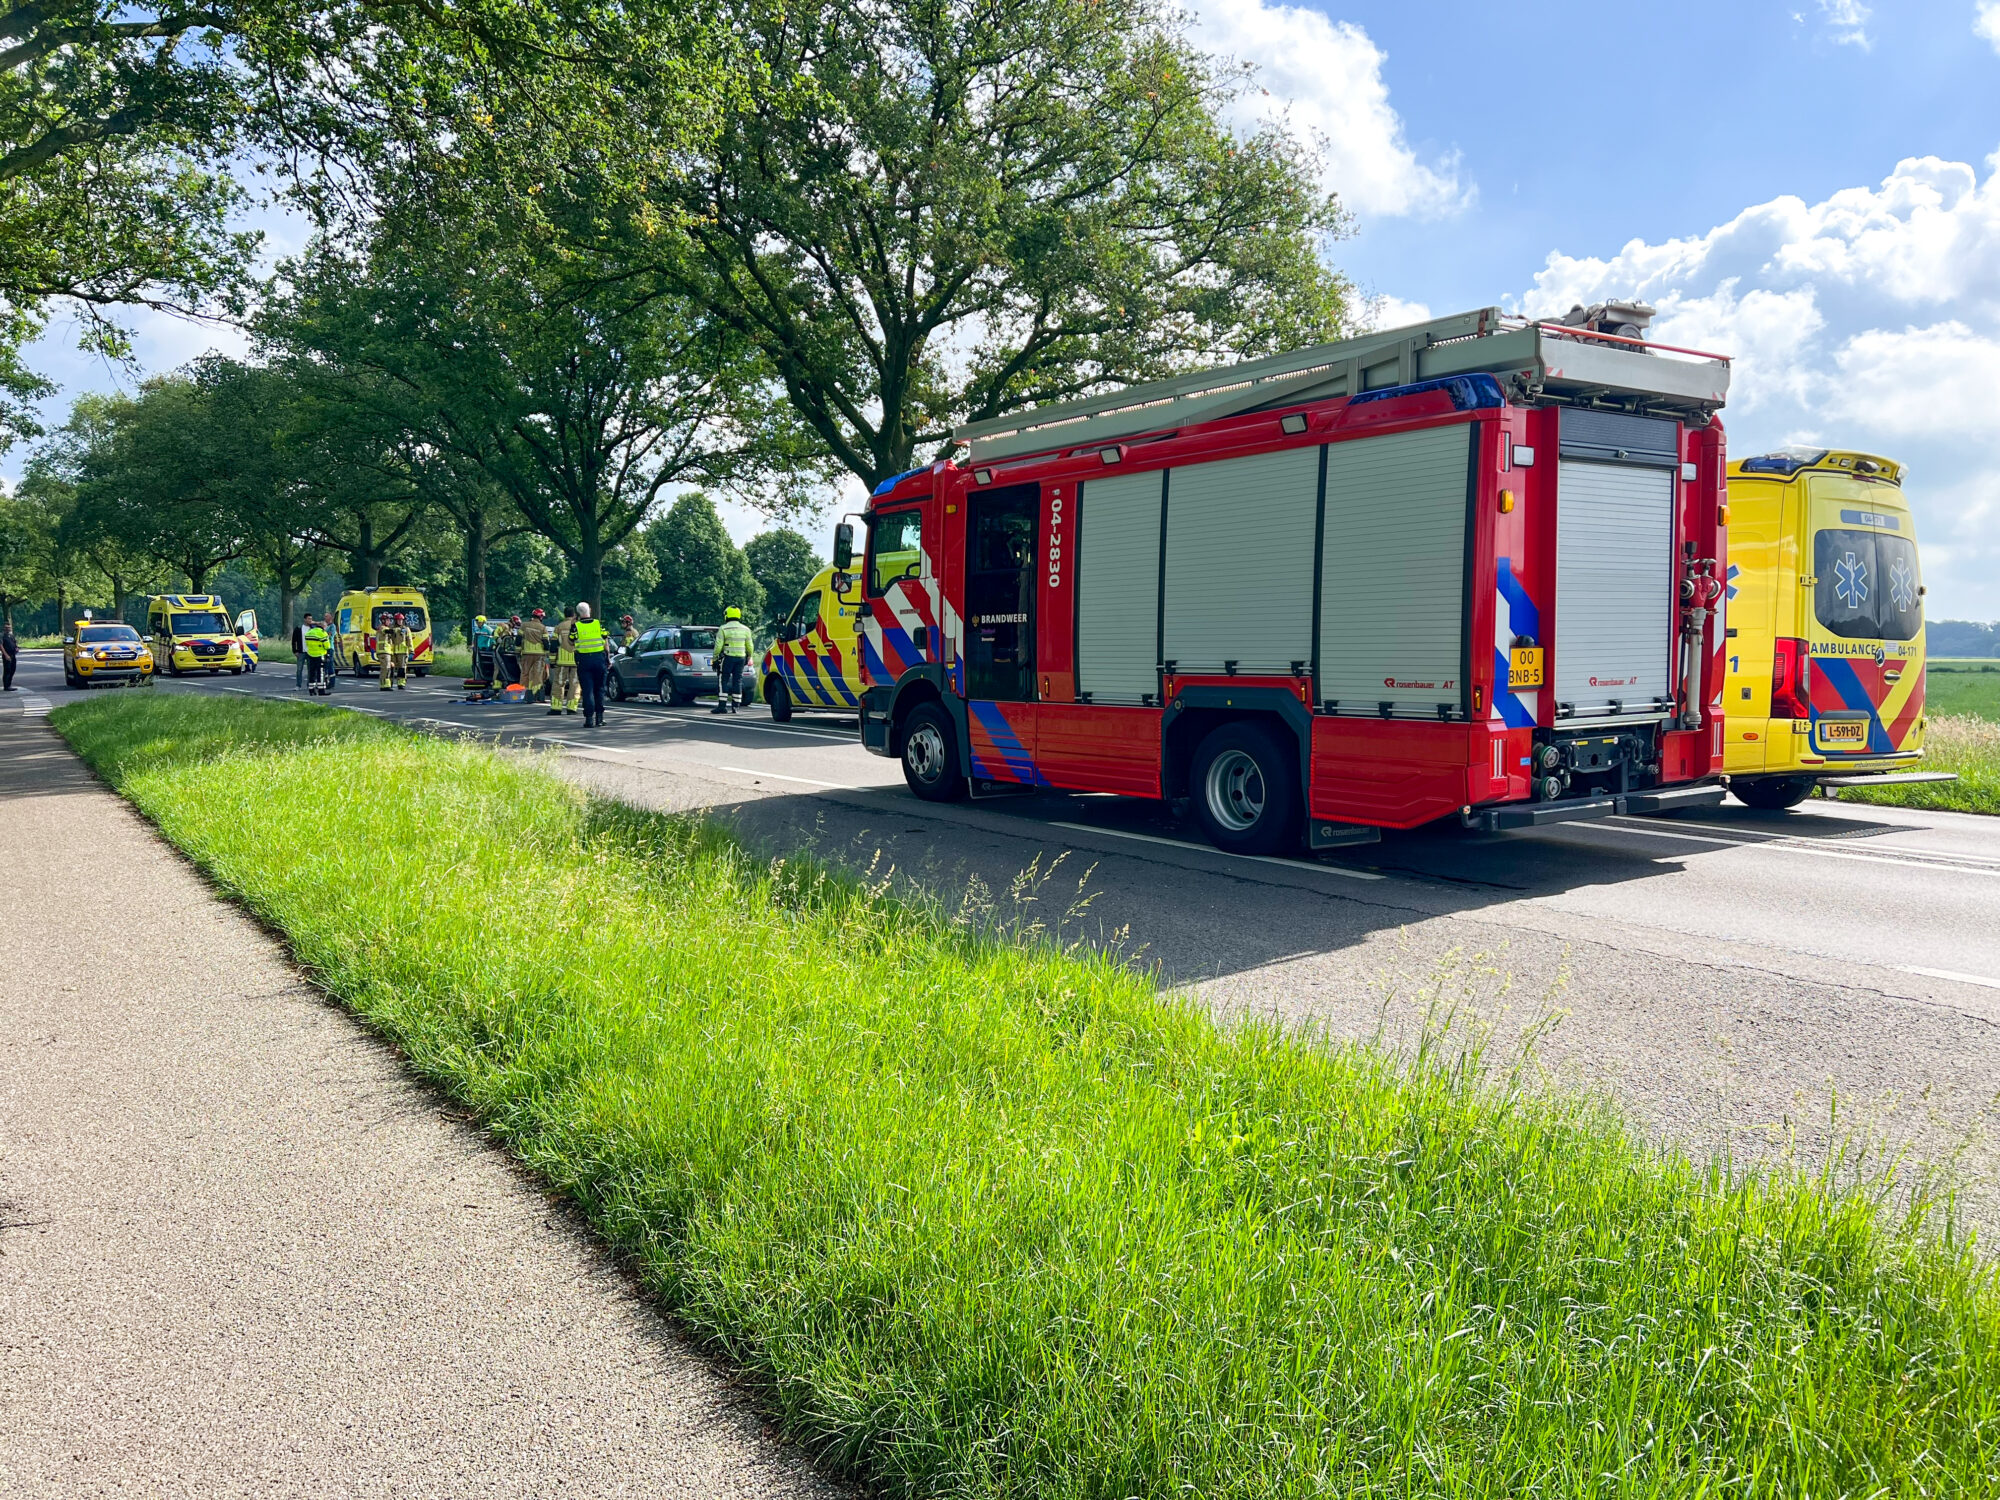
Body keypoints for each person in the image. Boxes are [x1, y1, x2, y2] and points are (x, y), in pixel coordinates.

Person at [711, 605, 754, 715]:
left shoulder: (723, 628)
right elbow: (750, 646)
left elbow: (718, 646)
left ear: (726, 615)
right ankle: (736, 706)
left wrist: (715, 658)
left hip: (728, 657)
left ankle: (722, 706)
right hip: (741, 658)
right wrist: (749, 656)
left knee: (723, 679)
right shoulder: (746, 629)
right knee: (738, 680)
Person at [574, 602, 610, 728]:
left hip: (584, 660)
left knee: (587, 690)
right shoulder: (598, 624)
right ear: (590, 610)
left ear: (578, 612)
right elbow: (606, 642)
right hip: (599, 659)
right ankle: (599, 718)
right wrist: (608, 658)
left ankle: (589, 719)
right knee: (599, 689)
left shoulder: (576, 626)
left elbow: (570, 641)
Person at [548, 606, 579, 716]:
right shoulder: (578, 626)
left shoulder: (559, 627)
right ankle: (572, 708)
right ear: (574, 615)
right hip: (576, 661)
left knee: (558, 684)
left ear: (564, 614)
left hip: (562, 661)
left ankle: (556, 708)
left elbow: (554, 645)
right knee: (574, 684)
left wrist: (552, 660)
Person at [518, 607, 548, 700]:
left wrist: (518, 651)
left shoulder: (524, 625)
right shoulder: (543, 628)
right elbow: (546, 643)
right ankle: (537, 695)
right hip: (539, 655)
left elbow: (518, 640)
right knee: (538, 675)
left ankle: (524, 695)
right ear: (541, 617)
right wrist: (547, 653)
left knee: (525, 674)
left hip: (527, 654)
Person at [378, 611, 413, 691]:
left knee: (402, 668)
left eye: (401, 620)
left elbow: (409, 640)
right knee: (390, 668)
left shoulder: (406, 629)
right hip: (392, 652)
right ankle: (388, 683)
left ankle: (401, 683)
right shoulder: (391, 628)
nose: (400, 621)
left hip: (403, 652)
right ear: (395, 620)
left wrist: (411, 651)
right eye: (398, 620)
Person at [302, 614, 332, 695]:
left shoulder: (309, 632)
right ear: (323, 627)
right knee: (320, 673)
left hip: (310, 655)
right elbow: (327, 646)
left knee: (311, 673)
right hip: (320, 655)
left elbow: (307, 643)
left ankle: (311, 690)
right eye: (325, 627)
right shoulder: (323, 633)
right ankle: (321, 690)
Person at [471, 614, 495, 684]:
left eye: (479, 622)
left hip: (484, 649)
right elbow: (474, 638)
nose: (478, 623)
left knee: (483, 664)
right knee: (474, 663)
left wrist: (491, 646)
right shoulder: (477, 629)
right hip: (476, 649)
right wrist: (473, 645)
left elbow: (493, 637)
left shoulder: (488, 629)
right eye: (477, 622)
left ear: (483, 622)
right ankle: (477, 676)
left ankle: (485, 677)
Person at [291, 617, 307, 689]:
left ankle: (310, 684)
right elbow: (294, 641)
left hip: (310, 652)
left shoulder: (313, 628)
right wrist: (295, 651)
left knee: (311, 669)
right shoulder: (298, 628)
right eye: (309, 619)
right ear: (305, 619)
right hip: (301, 652)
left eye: (311, 619)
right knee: (299, 669)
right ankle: (298, 685)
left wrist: (314, 623)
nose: (310, 620)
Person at [1, 621, 17, 691]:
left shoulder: (11, 635)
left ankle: (9, 684)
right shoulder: (2, 635)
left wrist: (17, 648)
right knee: (7, 670)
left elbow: (15, 643)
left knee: (13, 669)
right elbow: (1, 645)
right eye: (6, 627)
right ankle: (6, 686)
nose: (8, 628)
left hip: (13, 654)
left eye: (9, 627)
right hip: (7, 655)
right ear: (4, 628)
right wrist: (6, 655)